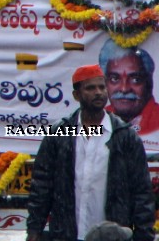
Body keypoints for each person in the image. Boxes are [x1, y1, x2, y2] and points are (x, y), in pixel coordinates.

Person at [26, 64, 154, 241]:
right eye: (91, 88)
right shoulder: (59, 134)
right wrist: (34, 230)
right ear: (76, 95)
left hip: (112, 235)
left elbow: (141, 191)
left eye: (102, 87)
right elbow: (42, 185)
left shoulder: (125, 136)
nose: (99, 92)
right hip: (67, 233)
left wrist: (144, 235)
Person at [100, 41, 159, 135]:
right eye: (114, 78)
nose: (124, 89)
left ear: (148, 83)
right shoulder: (100, 118)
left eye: (135, 79)